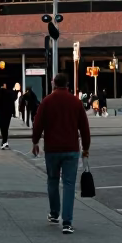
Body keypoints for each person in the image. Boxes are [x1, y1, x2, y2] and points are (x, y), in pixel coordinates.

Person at [32, 72, 90, 234]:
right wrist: (85, 147)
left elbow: (38, 124)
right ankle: (67, 222)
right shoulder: (75, 102)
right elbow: (84, 127)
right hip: (71, 148)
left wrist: (35, 141)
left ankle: (54, 213)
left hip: (52, 149)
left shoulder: (47, 101)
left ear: (54, 84)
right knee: (69, 185)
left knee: (52, 181)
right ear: (67, 84)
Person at [0, 82, 15, 148]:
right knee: (6, 127)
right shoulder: (10, 93)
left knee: (2, 128)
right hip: (8, 113)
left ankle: (4, 141)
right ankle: (5, 141)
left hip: (1, 113)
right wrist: (13, 112)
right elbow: (12, 103)